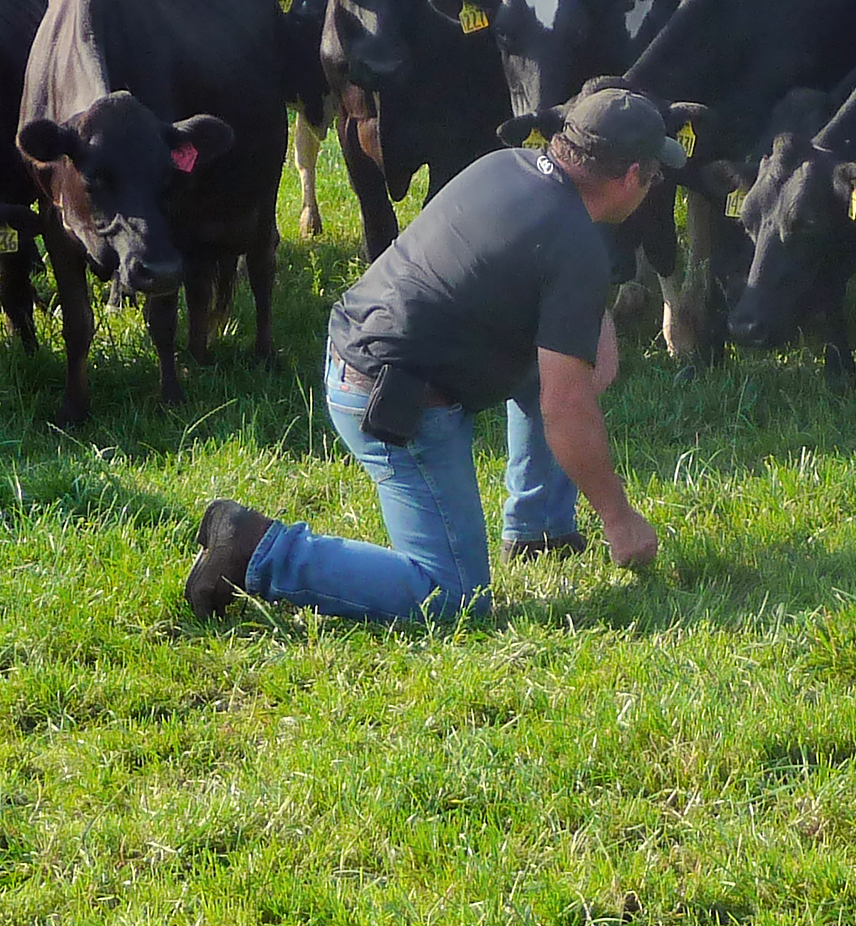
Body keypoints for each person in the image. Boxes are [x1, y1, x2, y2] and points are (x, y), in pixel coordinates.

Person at [183, 86, 672, 620]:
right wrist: (618, 517)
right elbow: (566, 408)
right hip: (396, 403)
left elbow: (559, 331)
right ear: (629, 177)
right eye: (653, 176)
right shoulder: (572, 243)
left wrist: (585, 319)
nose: (651, 188)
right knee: (452, 596)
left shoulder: (510, 166)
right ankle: (258, 548)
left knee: (557, 371)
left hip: (358, 350)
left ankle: (539, 533)